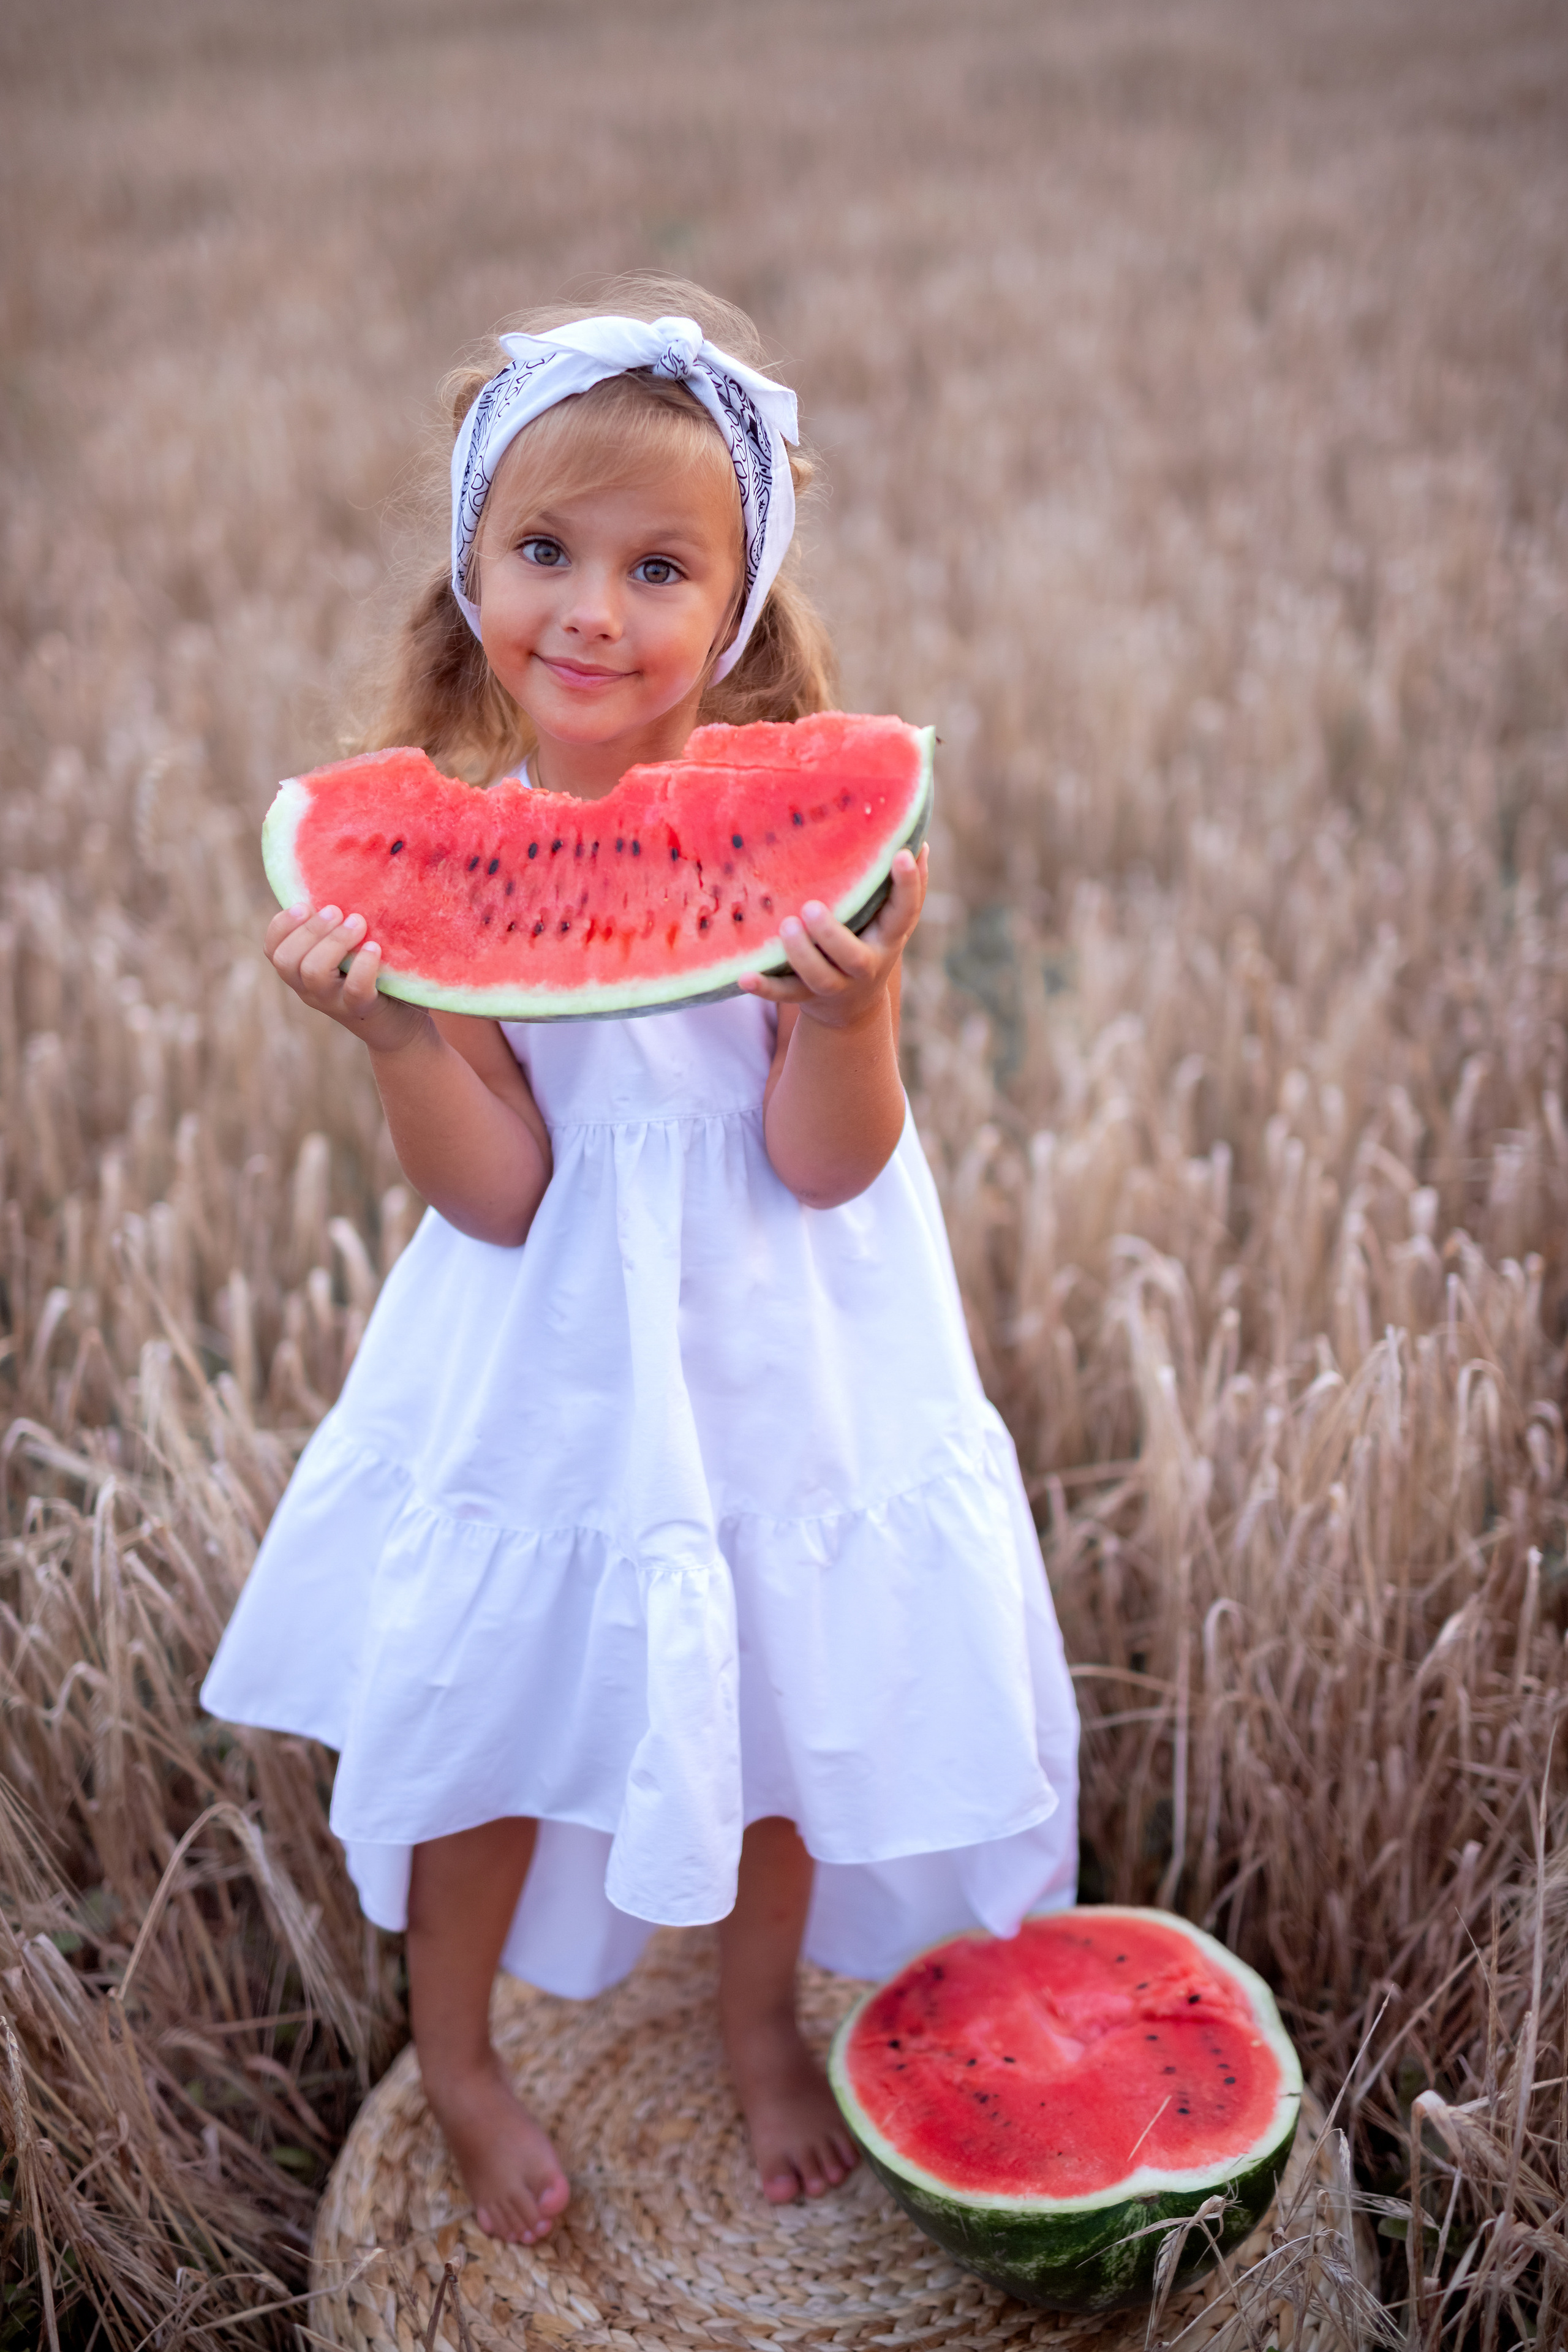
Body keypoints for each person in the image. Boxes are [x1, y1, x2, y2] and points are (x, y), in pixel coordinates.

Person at [202, 276, 1079, 2248]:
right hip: (554, 1368)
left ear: (738, 609)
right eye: (546, 551)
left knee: (768, 1706)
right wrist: (402, 1036)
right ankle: (459, 2054)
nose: (592, 611)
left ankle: (757, 2021)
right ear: (472, 577)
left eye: (658, 567)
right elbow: (500, 1199)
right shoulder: (444, 875)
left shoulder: (805, 866)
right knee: (495, 1722)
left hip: (775, 1360)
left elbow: (830, 1168)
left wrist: (854, 1014)